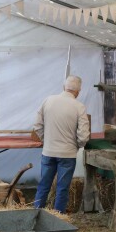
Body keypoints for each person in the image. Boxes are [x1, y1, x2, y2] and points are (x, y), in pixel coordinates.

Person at [32, 75, 90, 213]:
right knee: (62, 188)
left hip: (48, 151)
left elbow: (37, 125)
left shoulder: (48, 100)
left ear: (64, 87)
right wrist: (77, 145)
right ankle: (58, 218)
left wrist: (46, 140)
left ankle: (35, 215)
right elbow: (84, 135)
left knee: (43, 185)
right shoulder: (79, 106)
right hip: (67, 154)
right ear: (78, 91)